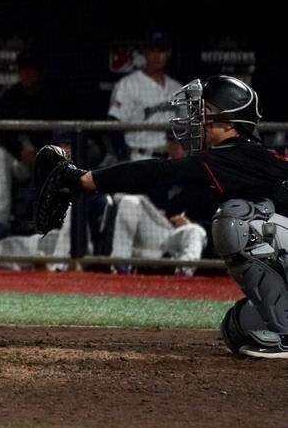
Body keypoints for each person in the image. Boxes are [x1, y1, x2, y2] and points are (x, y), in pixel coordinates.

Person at [34, 76, 288, 358]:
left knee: (236, 219)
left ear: (228, 122)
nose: (198, 120)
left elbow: (158, 172)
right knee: (238, 327)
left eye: (206, 113)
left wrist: (84, 181)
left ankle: (285, 333)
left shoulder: (238, 156)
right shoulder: (241, 156)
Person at [0, 51, 67, 238]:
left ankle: (37, 220)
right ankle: (0, 220)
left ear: (40, 73)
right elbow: (5, 135)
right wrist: (21, 151)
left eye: (31, 70)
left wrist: (40, 154)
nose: (27, 74)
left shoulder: (52, 96)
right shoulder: (11, 96)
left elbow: (59, 135)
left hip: (48, 160)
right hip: (23, 159)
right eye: (23, 70)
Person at [108, 136, 210, 274]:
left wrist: (190, 222)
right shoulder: (158, 168)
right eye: (173, 143)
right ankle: (120, 264)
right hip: (153, 227)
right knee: (128, 201)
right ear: (168, 145)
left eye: (182, 144)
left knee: (196, 232)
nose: (177, 148)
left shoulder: (202, 175)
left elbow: (213, 220)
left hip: (179, 233)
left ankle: (183, 275)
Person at [109, 32, 183, 161]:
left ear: (169, 54)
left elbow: (184, 125)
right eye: (152, 51)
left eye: (161, 51)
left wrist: (179, 144)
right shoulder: (128, 84)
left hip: (170, 161)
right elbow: (114, 124)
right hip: (139, 157)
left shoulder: (177, 88)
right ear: (145, 53)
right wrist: (122, 157)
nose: (157, 56)